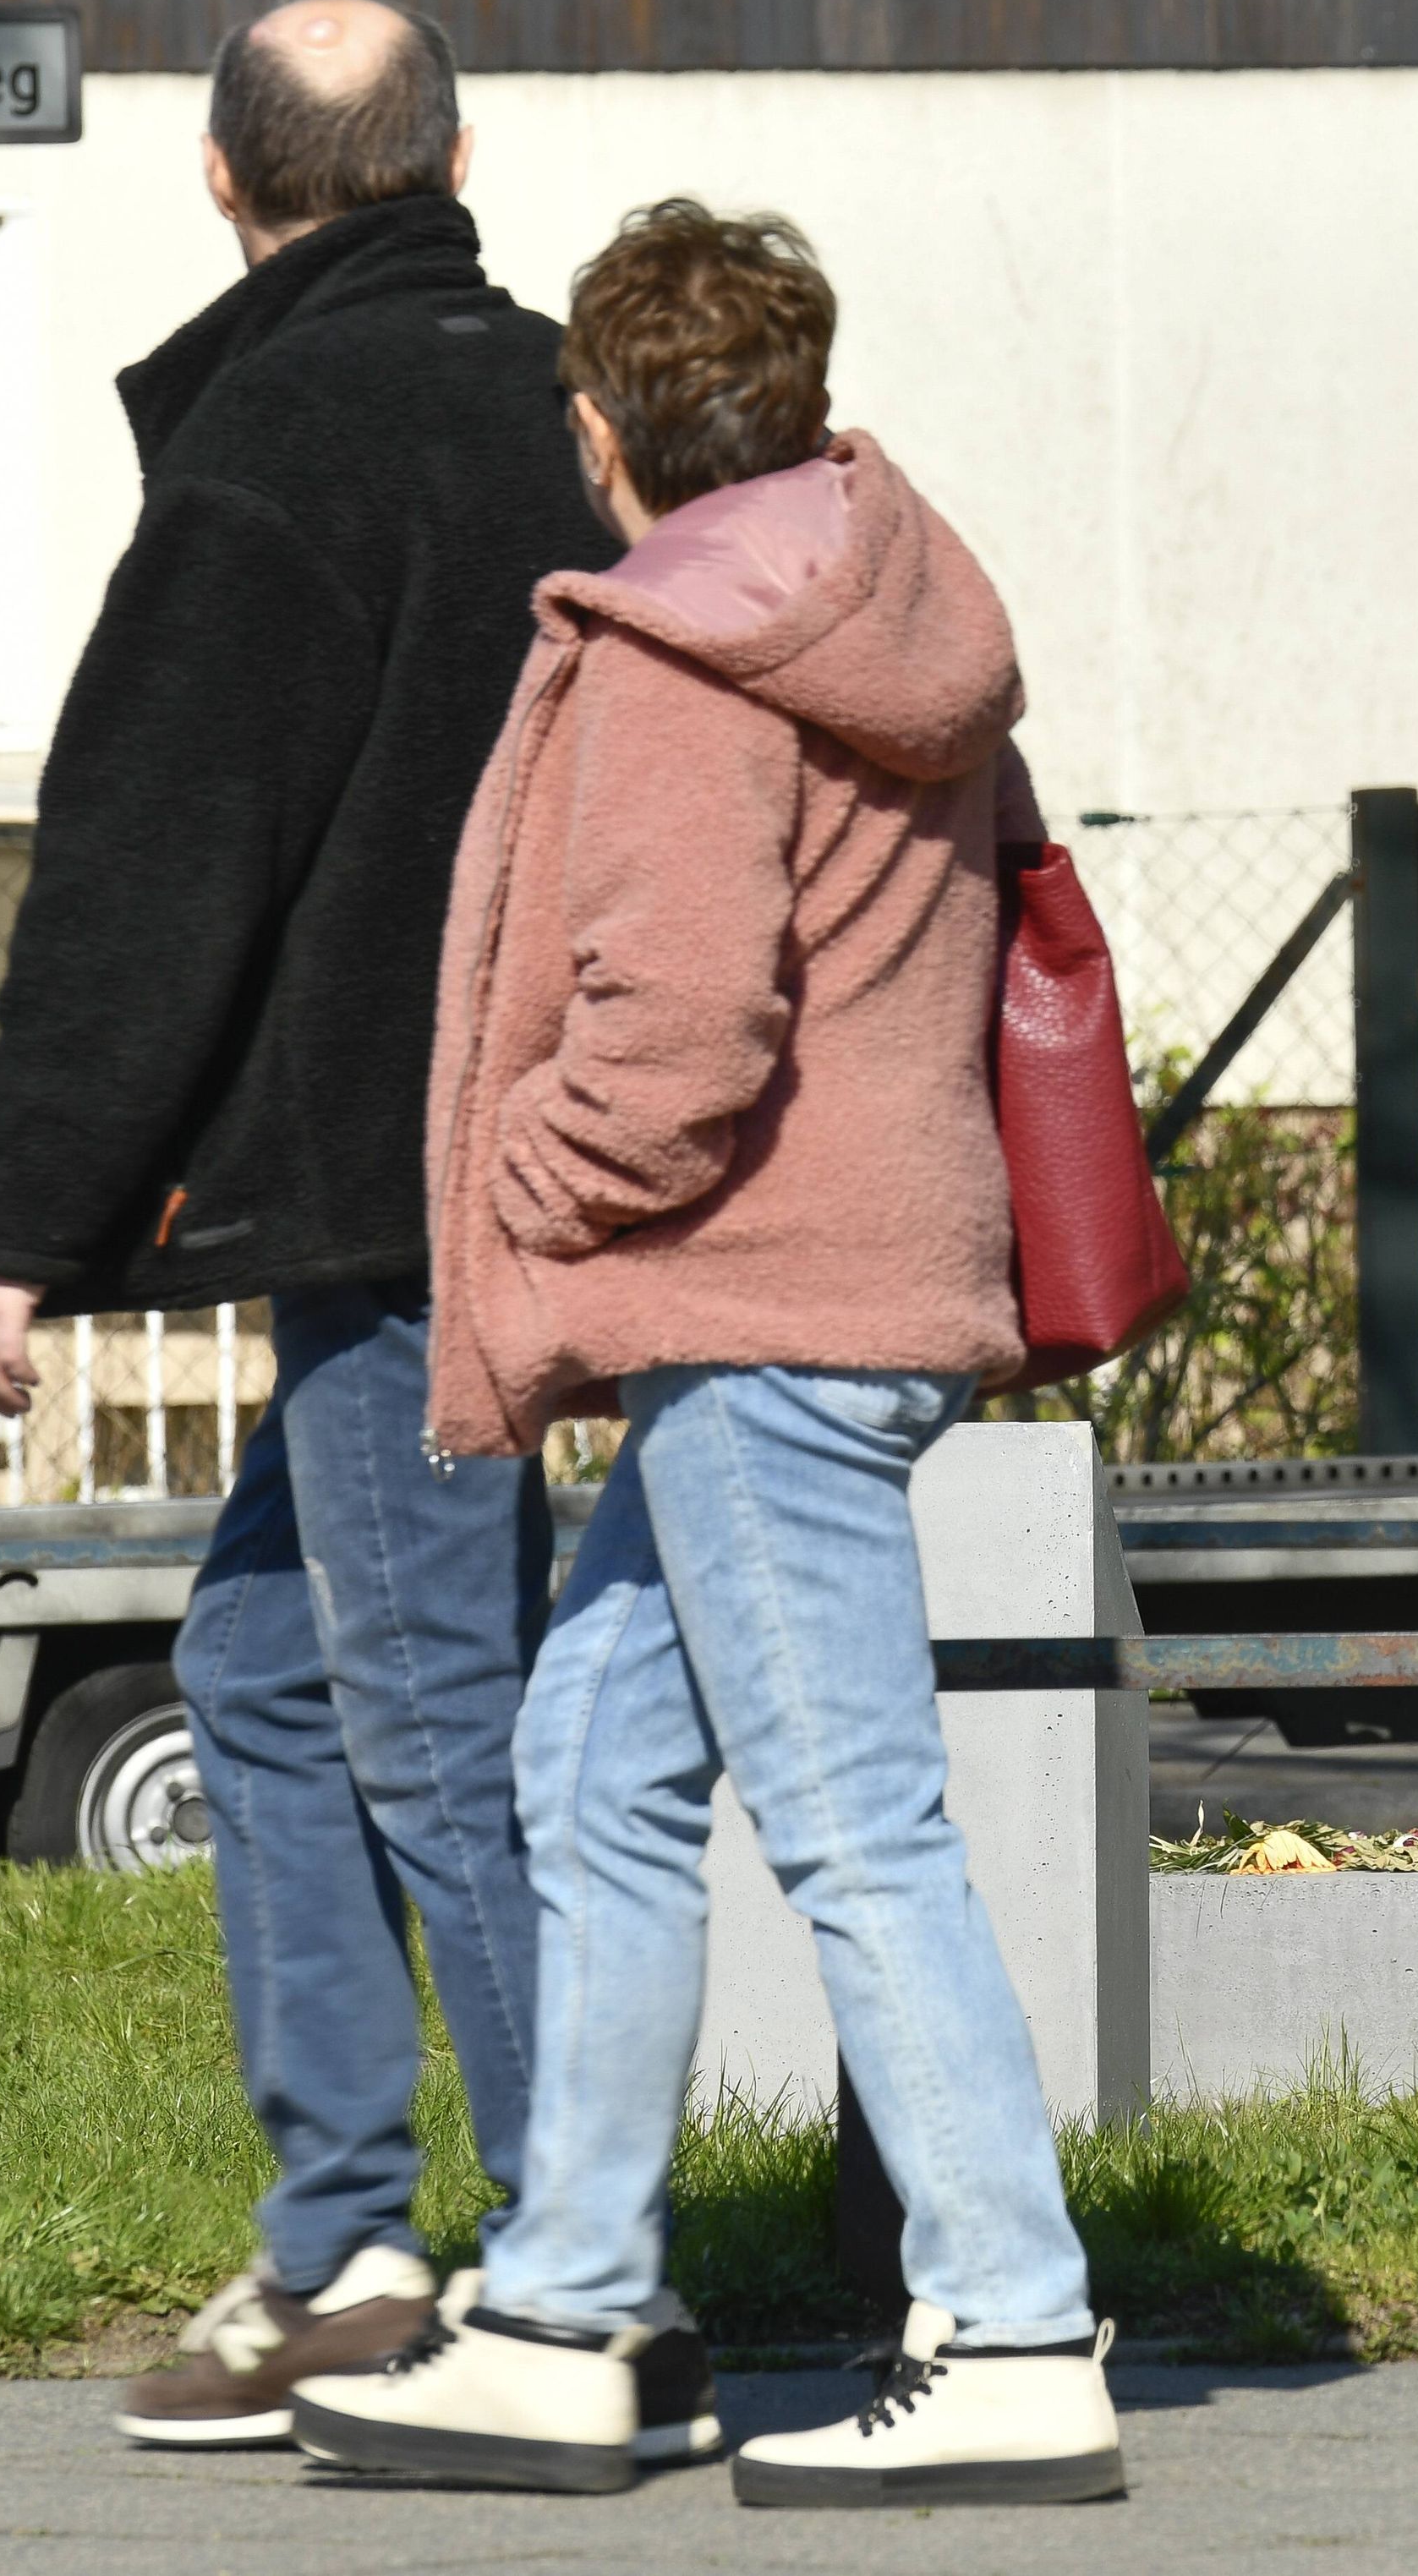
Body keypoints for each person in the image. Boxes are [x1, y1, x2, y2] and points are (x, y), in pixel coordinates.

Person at [284, 201, 1122, 2508]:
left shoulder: (674, 654)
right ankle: (568, 2306)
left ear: (602, 427)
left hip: (754, 1312)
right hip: (852, 1292)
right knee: (590, 1768)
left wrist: (519, 1191)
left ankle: (1016, 2317)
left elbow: (672, 1038)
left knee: (856, 1830)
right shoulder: (889, 602)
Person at [0, 0, 701, 2457]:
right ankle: (348, 2241)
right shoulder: (570, 410)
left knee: (438, 1708)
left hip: (392, 1207)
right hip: (563, 1158)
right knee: (263, 1665)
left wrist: (13, 1221)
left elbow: (154, 857)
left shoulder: (271, 443)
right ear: (460, 153)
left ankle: (589, 2278)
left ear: (220, 179)